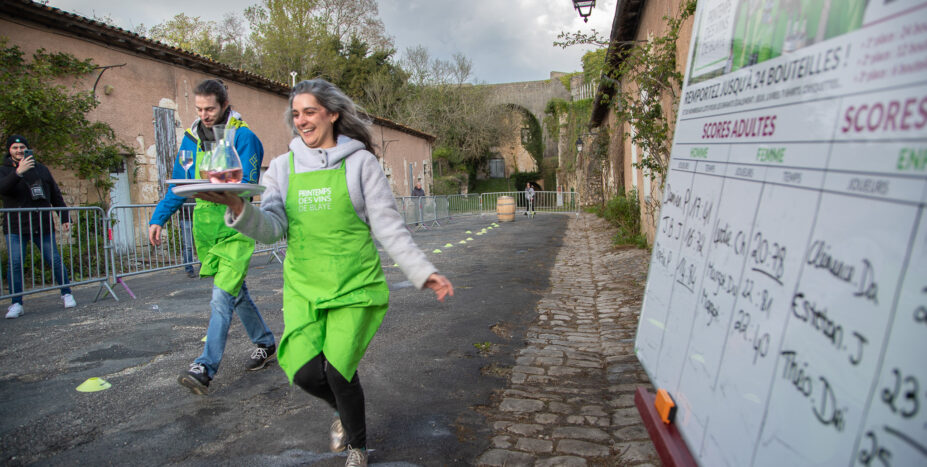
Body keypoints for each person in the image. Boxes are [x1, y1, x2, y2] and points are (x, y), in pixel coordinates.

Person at [197, 79, 454, 467]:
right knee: (302, 372)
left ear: (332, 114)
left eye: (310, 112)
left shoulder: (361, 163)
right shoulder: (281, 169)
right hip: (303, 287)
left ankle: (357, 446)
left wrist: (423, 271)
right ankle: (343, 414)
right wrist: (236, 204)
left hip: (355, 285)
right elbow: (272, 228)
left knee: (338, 368)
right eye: (296, 114)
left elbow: (388, 226)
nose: (301, 120)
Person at [148, 79, 275, 395]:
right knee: (236, 293)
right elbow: (179, 183)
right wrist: (158, 218)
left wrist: (216, 186)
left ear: (224, 104)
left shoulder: (245, 138)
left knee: (221, 298)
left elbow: (246, 185)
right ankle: (265, 341)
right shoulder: (190, 140)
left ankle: (204, 367)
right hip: (205, 232)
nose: (204, 115)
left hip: (235, 229)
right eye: (199, 109)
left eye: (210, 109)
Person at [0, 135, 76, 318]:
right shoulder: (4, 170)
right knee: (16, 263)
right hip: (15, 226)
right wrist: (18, 172)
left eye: (22, 147)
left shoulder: (41, 169)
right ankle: (16, 303)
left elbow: (54, 193)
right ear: (9, 150)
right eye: (15, 147)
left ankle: (66, 293)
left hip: (41, 224)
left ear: (27, 149)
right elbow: (3, 189)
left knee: (54, 259)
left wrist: (64, 215)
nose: (19, 150)